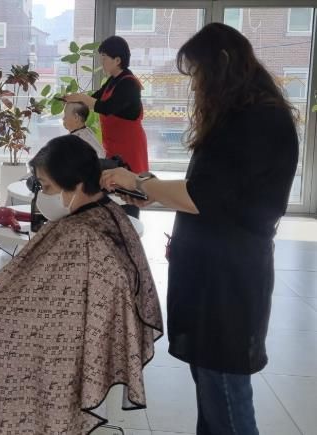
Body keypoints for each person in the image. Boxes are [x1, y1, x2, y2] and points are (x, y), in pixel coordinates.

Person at [100, 23, 299, 435]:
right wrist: (150, 190)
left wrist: (138, 182)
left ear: (222, 64)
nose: (195, 87)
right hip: (214, 272)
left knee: (226, 401)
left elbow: (201, 197)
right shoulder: (241, 115)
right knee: (211, 396)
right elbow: (208, 190)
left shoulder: (257, 121)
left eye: (198, 75)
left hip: (227, 281)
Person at [0, 135, 163, 434]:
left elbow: (51, 307)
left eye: (46, 187)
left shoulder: (84, 237)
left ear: (76, 184)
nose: (41, 197)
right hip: (44, 315)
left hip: (52, 333)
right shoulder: (97, 218)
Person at [65, 36, 148, 218]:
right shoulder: (113, 80)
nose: (101, 61)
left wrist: (83, 98)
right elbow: (94, 99)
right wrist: (74, 100)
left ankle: (130, 226)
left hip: (129, 147)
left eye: (104, 57)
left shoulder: (129, 83)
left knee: (128, 190)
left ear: (117, 60)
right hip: (113, 144)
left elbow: (106, 107)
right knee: (111, 186)